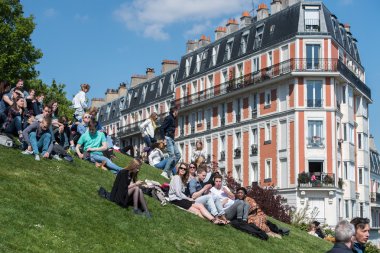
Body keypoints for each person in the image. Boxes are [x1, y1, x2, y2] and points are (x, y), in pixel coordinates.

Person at [160, 107, 181, 179]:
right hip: (168, 138)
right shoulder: (169, 118)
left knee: (178, 155)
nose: (178, 113)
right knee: (172, 155)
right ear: (174, 111)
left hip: (172, 139)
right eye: (177, 111)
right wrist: (163, 139)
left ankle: (169, 170)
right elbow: (162, 128)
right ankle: (165, 172)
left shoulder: (173, 119)